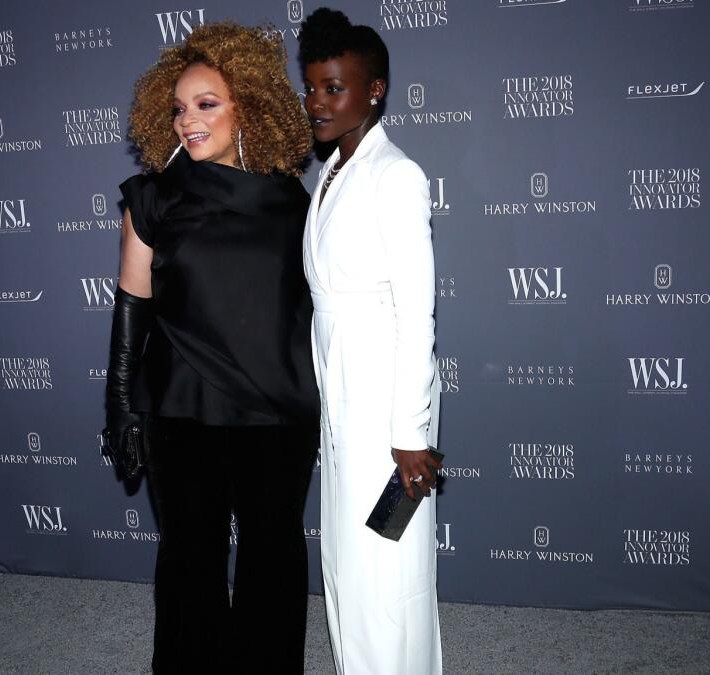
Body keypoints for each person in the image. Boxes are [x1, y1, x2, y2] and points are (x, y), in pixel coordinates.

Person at [103, 22, 318, 674]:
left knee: (271, 553)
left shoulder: (293, 201)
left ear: (248, 106)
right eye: (177, 108)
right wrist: (119, 401)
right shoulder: (152, 200)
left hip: (275, 412)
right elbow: (131, 307)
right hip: (180, 407)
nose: (187, 121)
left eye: (207, 104)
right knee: (189, 556)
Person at [299, 8, 444, 674]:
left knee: (386, 571)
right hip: (341, 393)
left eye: (335, 87)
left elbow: (418, 313)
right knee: (347, 563)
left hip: (386, 401)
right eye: (312, 86)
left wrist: (410, 430)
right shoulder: (329, 172)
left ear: (375, 90)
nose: (318, 102)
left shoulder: (397, 174)